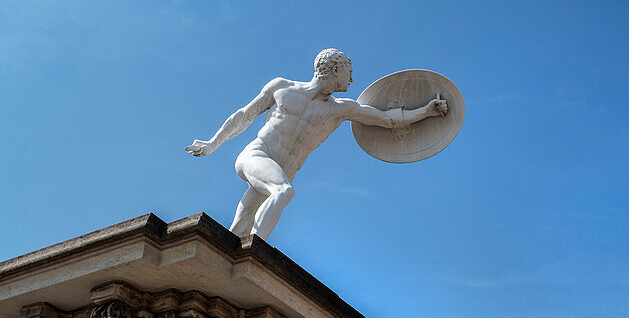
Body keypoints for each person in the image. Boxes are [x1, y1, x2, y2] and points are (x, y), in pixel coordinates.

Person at [186, 49, 448, 240]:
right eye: (349, 72)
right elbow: (244, 116)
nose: (352, 80)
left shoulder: (341, 109)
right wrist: (212, 143)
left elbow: (387, 119)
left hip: (281, 168)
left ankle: (232, 255)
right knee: (283, 192)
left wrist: (427, 111)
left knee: (236, 231)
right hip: (257, 155)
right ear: (335, 69)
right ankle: (255, 254)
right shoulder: (282, 87)